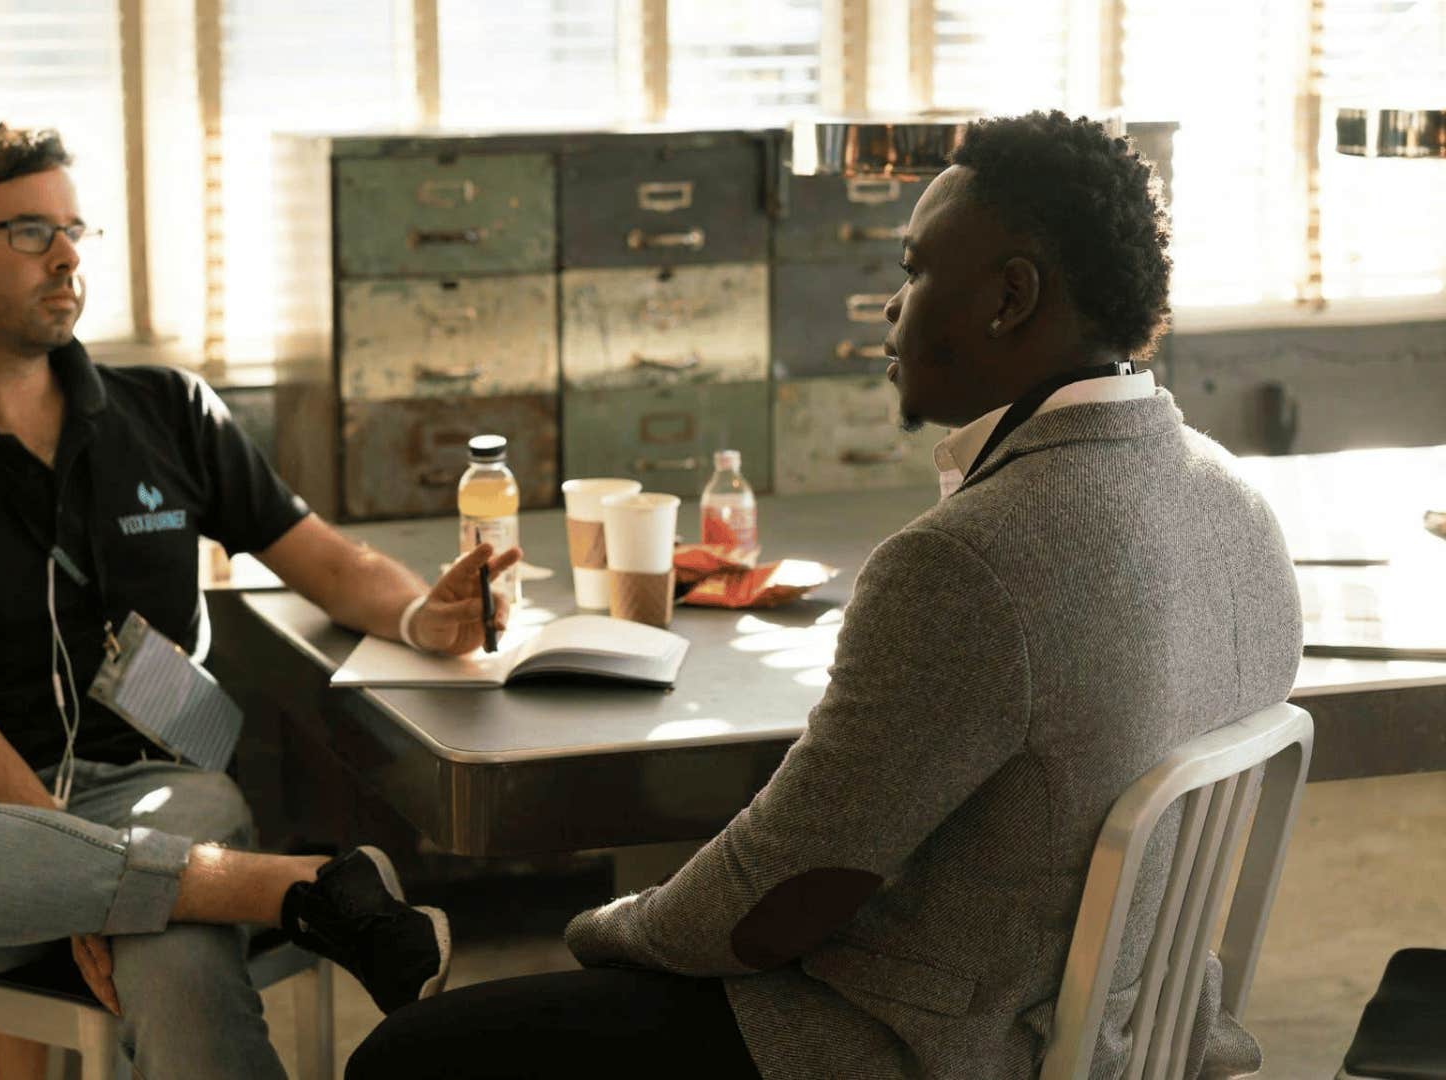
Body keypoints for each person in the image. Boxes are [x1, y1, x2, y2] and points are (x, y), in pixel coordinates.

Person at [346, 111, 1301, 1080]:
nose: (890, 307)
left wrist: (611, 930)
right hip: (1139, 1038)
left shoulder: (969, 561)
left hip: (930, 1047)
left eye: (916, 270)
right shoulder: (1235, 502)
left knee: (410, 1059)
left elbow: (783, 896)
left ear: (1010, 296)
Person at [0, 124, 518, 1080]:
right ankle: (301, 890)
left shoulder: (168, 409)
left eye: (75, 228)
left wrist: (427, 616)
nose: (70, 255)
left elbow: (330, 565)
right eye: (31, 231)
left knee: (170, 941)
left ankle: (204, 888)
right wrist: (79, 879)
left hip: (169, 792)